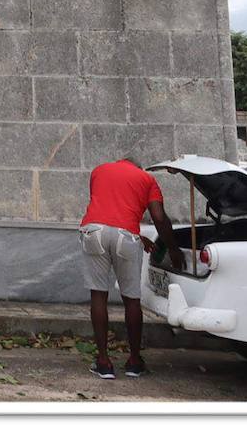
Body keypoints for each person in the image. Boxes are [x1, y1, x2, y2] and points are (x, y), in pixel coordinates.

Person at [79, 156, 183, 379]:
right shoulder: (146, 179)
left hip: (93, 231)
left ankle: (104, 362)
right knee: (131, 299)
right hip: (126, 236)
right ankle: (134, 362)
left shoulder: (99, 169)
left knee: (98, 295)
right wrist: (173, 249)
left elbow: (108, 213)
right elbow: (158, 216)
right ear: (138, 167)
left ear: (120, 162)